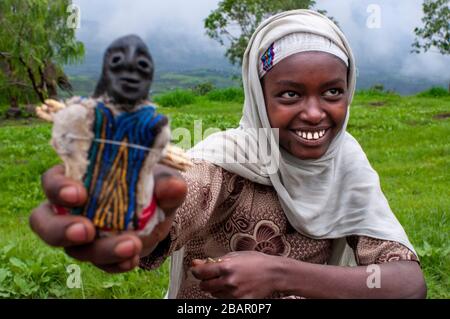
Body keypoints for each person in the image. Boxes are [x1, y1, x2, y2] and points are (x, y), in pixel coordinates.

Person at [30, 10, 426, 299]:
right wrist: (134, 218)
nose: (313, 112)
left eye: (332, 92)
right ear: (259, 96)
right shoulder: (225, 162)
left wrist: (279, 274)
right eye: (290, 94)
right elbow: (179, 199)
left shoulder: (346, 166)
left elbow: (407, 284)